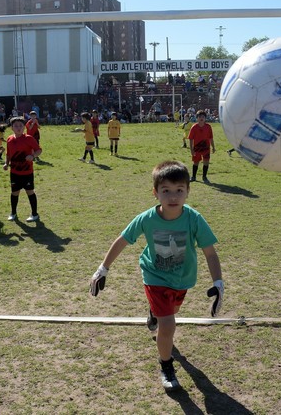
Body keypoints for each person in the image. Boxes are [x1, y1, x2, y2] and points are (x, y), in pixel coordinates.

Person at [89, 160, 223, 392]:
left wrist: (218, 282)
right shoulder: (146, 218)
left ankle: (154, 314)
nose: (173, 196)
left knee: (171, 313)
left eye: (179, 190)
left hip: (182, 279)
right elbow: (122, 240)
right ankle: (166, 366)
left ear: (188, 191)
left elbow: (210, 253)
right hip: (155, 277)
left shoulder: (194, 219)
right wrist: (103, 268)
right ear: (155, 192)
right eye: (166, 190)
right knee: (168, 325)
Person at [3, 116, 42, 222]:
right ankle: (13, 213)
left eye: (20, 125)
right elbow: (8, 154)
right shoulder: (9, 139)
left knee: (30, 191)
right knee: (14, 192)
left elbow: (39, 150)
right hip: (14, 172)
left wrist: (32, 156)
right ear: (11, 128)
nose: (18, 128)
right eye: (16, 126)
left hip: (27, 172)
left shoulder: (29, 138)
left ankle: (34, 214)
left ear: (24, 127)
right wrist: (6, 163)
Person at [188, 110, 215, 183]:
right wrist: (191, 150)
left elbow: (211, 138)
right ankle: (193, 177)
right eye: (199, 117)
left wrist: (213, 147)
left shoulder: (208, 127)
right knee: (196, 162)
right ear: (197, 118)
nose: (201, 118)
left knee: (206, 162)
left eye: (203, 117)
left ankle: (204, 177)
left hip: (206, 148)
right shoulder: (194, 127)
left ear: (205, 118)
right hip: (197, 148)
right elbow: (190, 139)